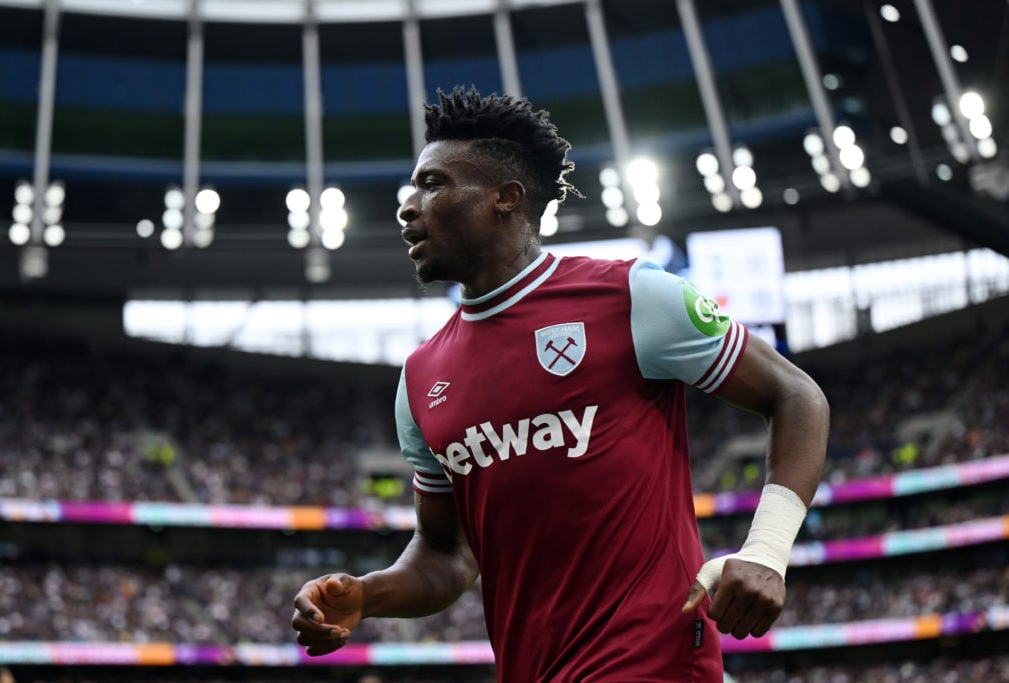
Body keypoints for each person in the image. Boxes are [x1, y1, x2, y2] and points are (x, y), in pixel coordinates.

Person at [293, 86, 829, 682]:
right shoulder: (421, 380)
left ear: (506, 198)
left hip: (655, 662)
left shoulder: (630, 296)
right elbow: (447, 553)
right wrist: (370, 596)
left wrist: (767, 550)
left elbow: (796, 394)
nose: (407, 205)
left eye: (433, 184)